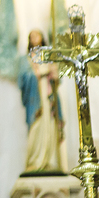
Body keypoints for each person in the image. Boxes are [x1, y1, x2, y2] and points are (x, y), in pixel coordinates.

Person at [21, 29, 63, 173]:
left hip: (48, 98)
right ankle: (35, 161)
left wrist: (53, 73)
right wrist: (37, 74)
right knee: (36, 129)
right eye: (31, 36)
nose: (34, 38)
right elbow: (24, 79)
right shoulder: (26, 60)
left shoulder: (49, 57)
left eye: (37, 35)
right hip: (36, 100)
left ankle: (50, 161)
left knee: (50, 127)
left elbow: (58, 79)